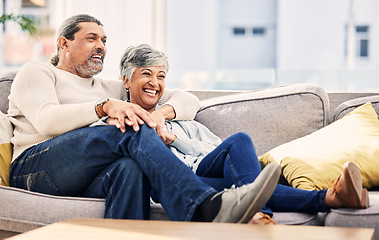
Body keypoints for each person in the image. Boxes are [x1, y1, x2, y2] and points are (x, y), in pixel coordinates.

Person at [7, 14, 281, 223]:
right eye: (91, 39)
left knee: (131, 168)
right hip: (36, 169)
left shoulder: (108, 87)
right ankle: (202, 204)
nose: (101, 46)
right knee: (127, 127)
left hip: (83, 175)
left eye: (104, 41)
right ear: (63, 43)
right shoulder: (38, 73)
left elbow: (188, 99)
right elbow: (46, 120)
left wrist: (159, 113)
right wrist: (105, 108)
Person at [115, 44, 370, 224]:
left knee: (240, 142)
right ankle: (328, 198)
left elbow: (215, 150)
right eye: (146, 74)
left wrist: (175, 139)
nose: (155, 83)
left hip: (203, 172)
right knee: (249, 186)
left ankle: (258, 210)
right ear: (126, 80)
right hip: (172, 184)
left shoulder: (182, 120)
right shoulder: (121, 118)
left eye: (161, 76)